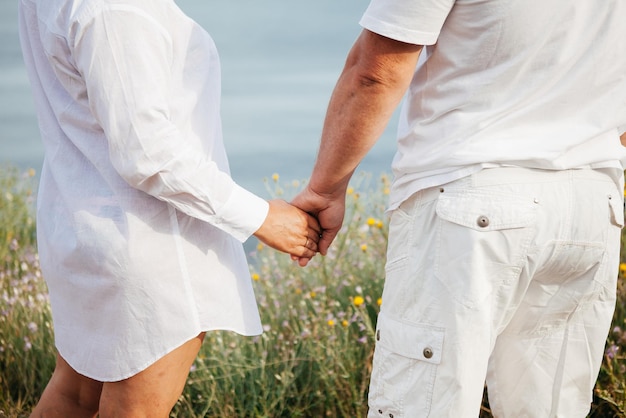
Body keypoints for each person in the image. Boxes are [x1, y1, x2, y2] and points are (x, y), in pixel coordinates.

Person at [292, 0, 626, 416]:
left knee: (422, 404)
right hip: (593, 201)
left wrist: (325, 190)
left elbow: (376, 71)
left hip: (473, 197)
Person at [18, 0, 321, 416]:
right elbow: (146, 152)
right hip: (150, 243)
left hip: (84, 223)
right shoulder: (116, 8)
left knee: (75, 396)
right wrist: (261, 217)